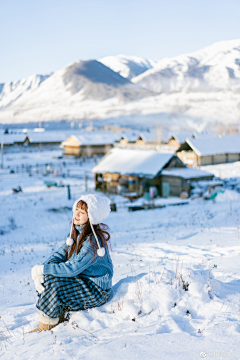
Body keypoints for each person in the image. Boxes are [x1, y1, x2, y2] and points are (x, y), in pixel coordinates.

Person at [30, 194, 113, 332]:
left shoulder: (92, 241)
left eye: (82, 212)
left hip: (97, 289)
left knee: (56, 282)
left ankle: (47, 323)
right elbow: (58, 255)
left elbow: (72, 269)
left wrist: (43, 270)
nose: (77, 215)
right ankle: (57, 313)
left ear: (91, 217)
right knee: (50, 276)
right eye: (76, 210)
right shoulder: (75, 234)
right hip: (82, 280)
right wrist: (41, 271)